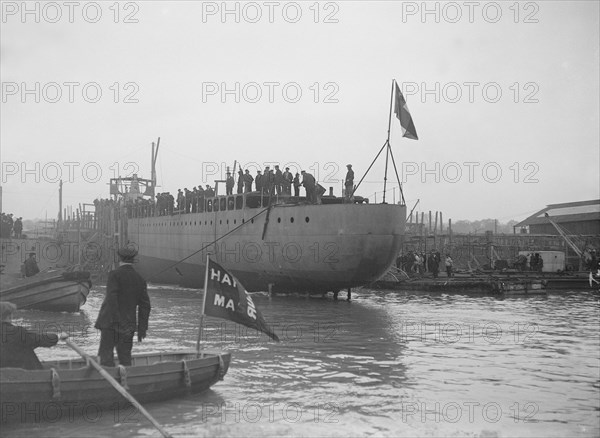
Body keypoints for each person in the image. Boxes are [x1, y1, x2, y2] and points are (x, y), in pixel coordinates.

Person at [94, 246, 151, 367]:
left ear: (119, 258)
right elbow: (145, 306)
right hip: (128, 326)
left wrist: (116, 321)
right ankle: (126, 382)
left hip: (111, 324)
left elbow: (111, 299)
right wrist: (142, 329)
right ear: (133, 260)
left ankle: (107, 383)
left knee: (105, 357)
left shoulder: (114, 275)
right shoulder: (140, 279)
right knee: (125, 358)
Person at [0, 301, 67, 370]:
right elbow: (40, 339)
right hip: (25, 372)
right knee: (54, 368)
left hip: (4, 374)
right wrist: (58, 336)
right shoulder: (18, 332)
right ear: (10, 315)